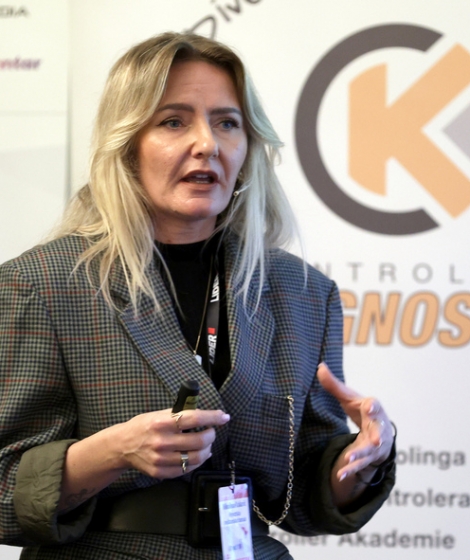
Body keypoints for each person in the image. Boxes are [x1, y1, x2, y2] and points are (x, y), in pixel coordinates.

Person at [0, 32, 396, 559]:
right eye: (174, 122)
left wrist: (361, 461)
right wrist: (111, 453)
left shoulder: (302, 292)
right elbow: (5, 491)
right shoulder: (42, 283)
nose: (207, 143)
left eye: (227, 123)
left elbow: (302, 498)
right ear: (127, 143)